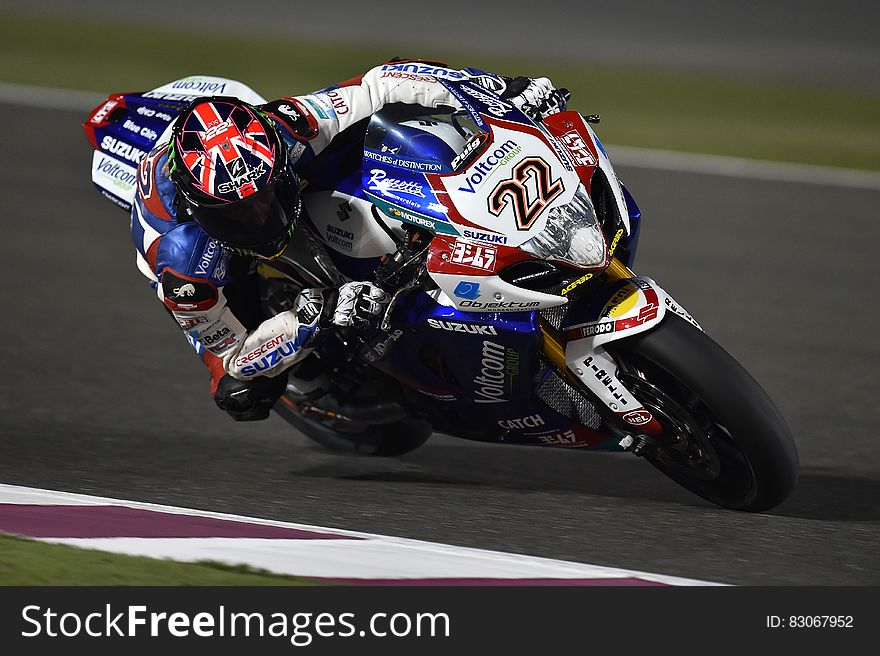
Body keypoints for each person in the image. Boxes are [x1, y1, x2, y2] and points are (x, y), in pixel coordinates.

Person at [131, 60, 568, 421]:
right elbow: (228, 358)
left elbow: (381, 83)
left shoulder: (288, 127)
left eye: (264, 196)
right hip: (210, 262)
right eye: (238, 211)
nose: (260, 215)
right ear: (202, 207)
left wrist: (493, 90)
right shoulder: (180, 259)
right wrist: (308, 320)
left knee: (367, 145)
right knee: (241, 394)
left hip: (253, 151)